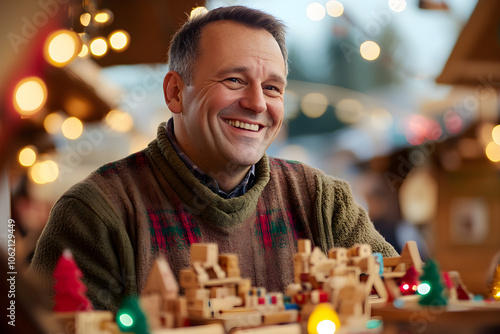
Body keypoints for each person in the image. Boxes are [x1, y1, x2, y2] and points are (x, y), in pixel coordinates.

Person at [30, 5, 398, 312]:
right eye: (234, 81)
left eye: (272, 88)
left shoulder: (323, 200)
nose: (257, 103)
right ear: (175, 93)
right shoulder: (95, 212)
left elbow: (396, 301)